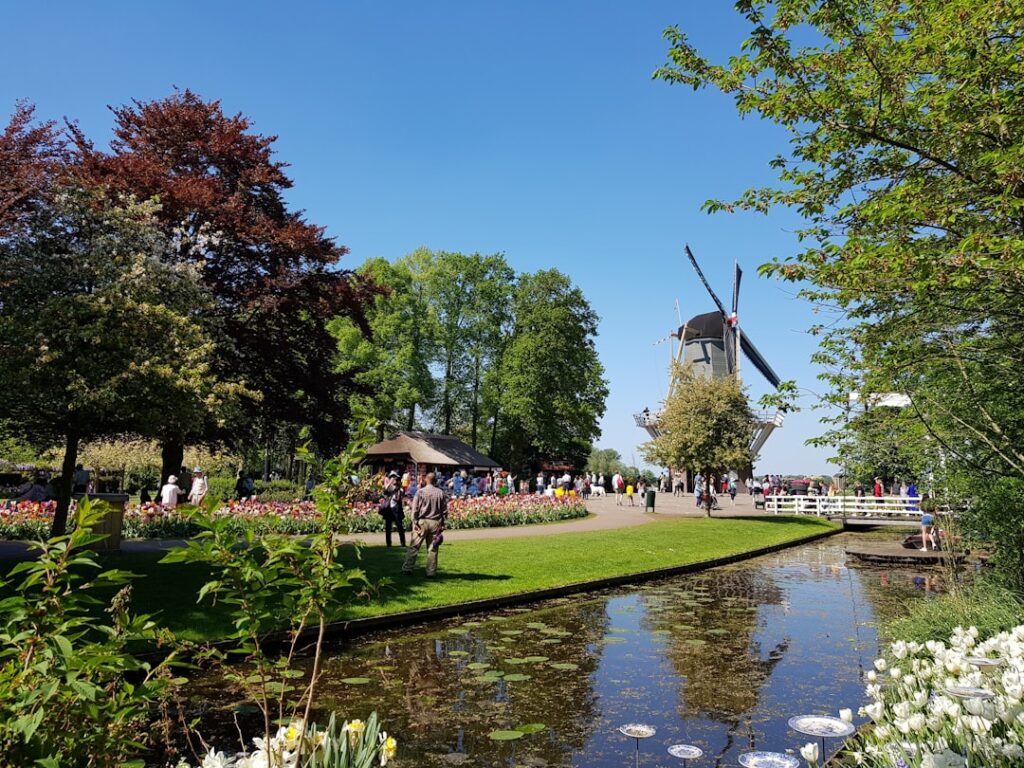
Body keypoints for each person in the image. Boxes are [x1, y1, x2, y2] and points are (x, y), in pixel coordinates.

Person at [401, 472, 447, 577]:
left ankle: (407, 569)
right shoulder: (440, 492)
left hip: (422, 522)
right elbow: (444, 511)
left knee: (414, 546)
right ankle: (431, 572)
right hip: (435, 522)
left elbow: (415, 509)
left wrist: (414, 522)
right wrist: (443, 523)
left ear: (426, 480)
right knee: (433, 548)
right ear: (435, 480)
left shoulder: (420, 492)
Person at [379, 470, 406, 547]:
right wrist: (390, 482)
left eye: (395, 478)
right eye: (392, 477)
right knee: (388, 527)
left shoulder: (400, 488)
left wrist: (398, 484)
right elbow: (385, 490)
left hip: (397, 510)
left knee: (400, 527)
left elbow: (402, 493)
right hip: (389, 510)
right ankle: (388, 544)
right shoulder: (390, 487)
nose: (394, 479)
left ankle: (403, 543)